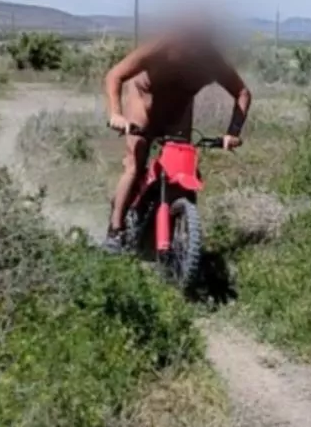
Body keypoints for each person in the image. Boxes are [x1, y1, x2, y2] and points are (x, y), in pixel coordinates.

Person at [102, 16, 251, 252]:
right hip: (144, 105)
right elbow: (115, 75)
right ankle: (115, 230)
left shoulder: (211, 60)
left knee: (183, 168)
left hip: (178, 113)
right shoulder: (162, 46)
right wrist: (116, 114)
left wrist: (232, 132)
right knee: (135, 165)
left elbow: (242, 92)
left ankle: (181, 230)